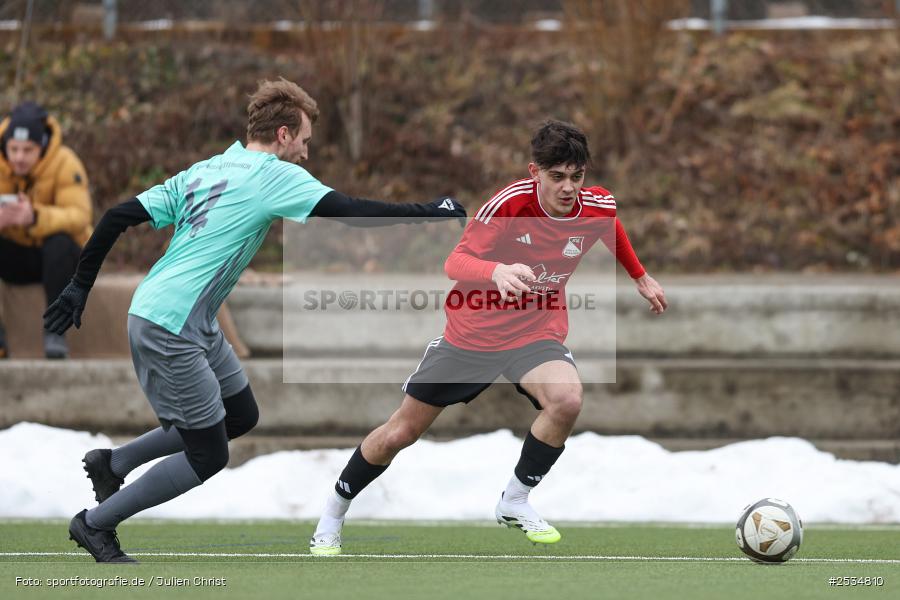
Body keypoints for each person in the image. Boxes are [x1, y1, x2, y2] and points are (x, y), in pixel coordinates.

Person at [43, 78, 466, 563]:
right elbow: (351, 211)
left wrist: (80, 285)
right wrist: (429, 211)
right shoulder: (271, 176)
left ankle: (112, 463)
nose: (306, 154)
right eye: (304, 141)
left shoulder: (208, 168)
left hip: (187, 317)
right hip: (169, 323)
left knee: (240, 416)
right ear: (283, 135)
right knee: (209, 455)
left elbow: (118, 215)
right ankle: (95, 525)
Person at [310, 119, 667, 555]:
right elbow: (455, 262)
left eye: (577, 176)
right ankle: (333, 512)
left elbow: (610, 228)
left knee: (567, 400)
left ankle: (514, 501)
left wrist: (640, 275)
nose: (568, 187)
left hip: (536, 333)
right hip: (471, 336)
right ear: (534, 172)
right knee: (400, 433)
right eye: (557, 177)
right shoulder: (508, 205)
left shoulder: (597, 205)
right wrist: (495, 271)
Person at [0, 101, 92, 359]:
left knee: (60, 242)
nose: (19, 157)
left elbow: (80, 216)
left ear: (40, 147)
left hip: (62, 261)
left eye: (27, 150)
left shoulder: (65, 162)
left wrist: (34, 217)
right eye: (13, 149)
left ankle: (55, 332)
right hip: (17, 257)